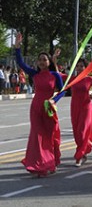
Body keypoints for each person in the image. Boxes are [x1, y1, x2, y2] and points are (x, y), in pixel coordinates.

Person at [14, 32, 64, 177]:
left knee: (49, 136)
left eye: (44, 60)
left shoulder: (55, 75)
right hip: (36, 108)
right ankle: (39, 166)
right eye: (40, 60)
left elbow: (62, 91)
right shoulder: (34, 74)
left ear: (49, 62)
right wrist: (17, 47)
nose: (42, 62)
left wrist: (54, 100)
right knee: (37, 136)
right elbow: (20, 63)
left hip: (49, 109)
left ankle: (50, 162)